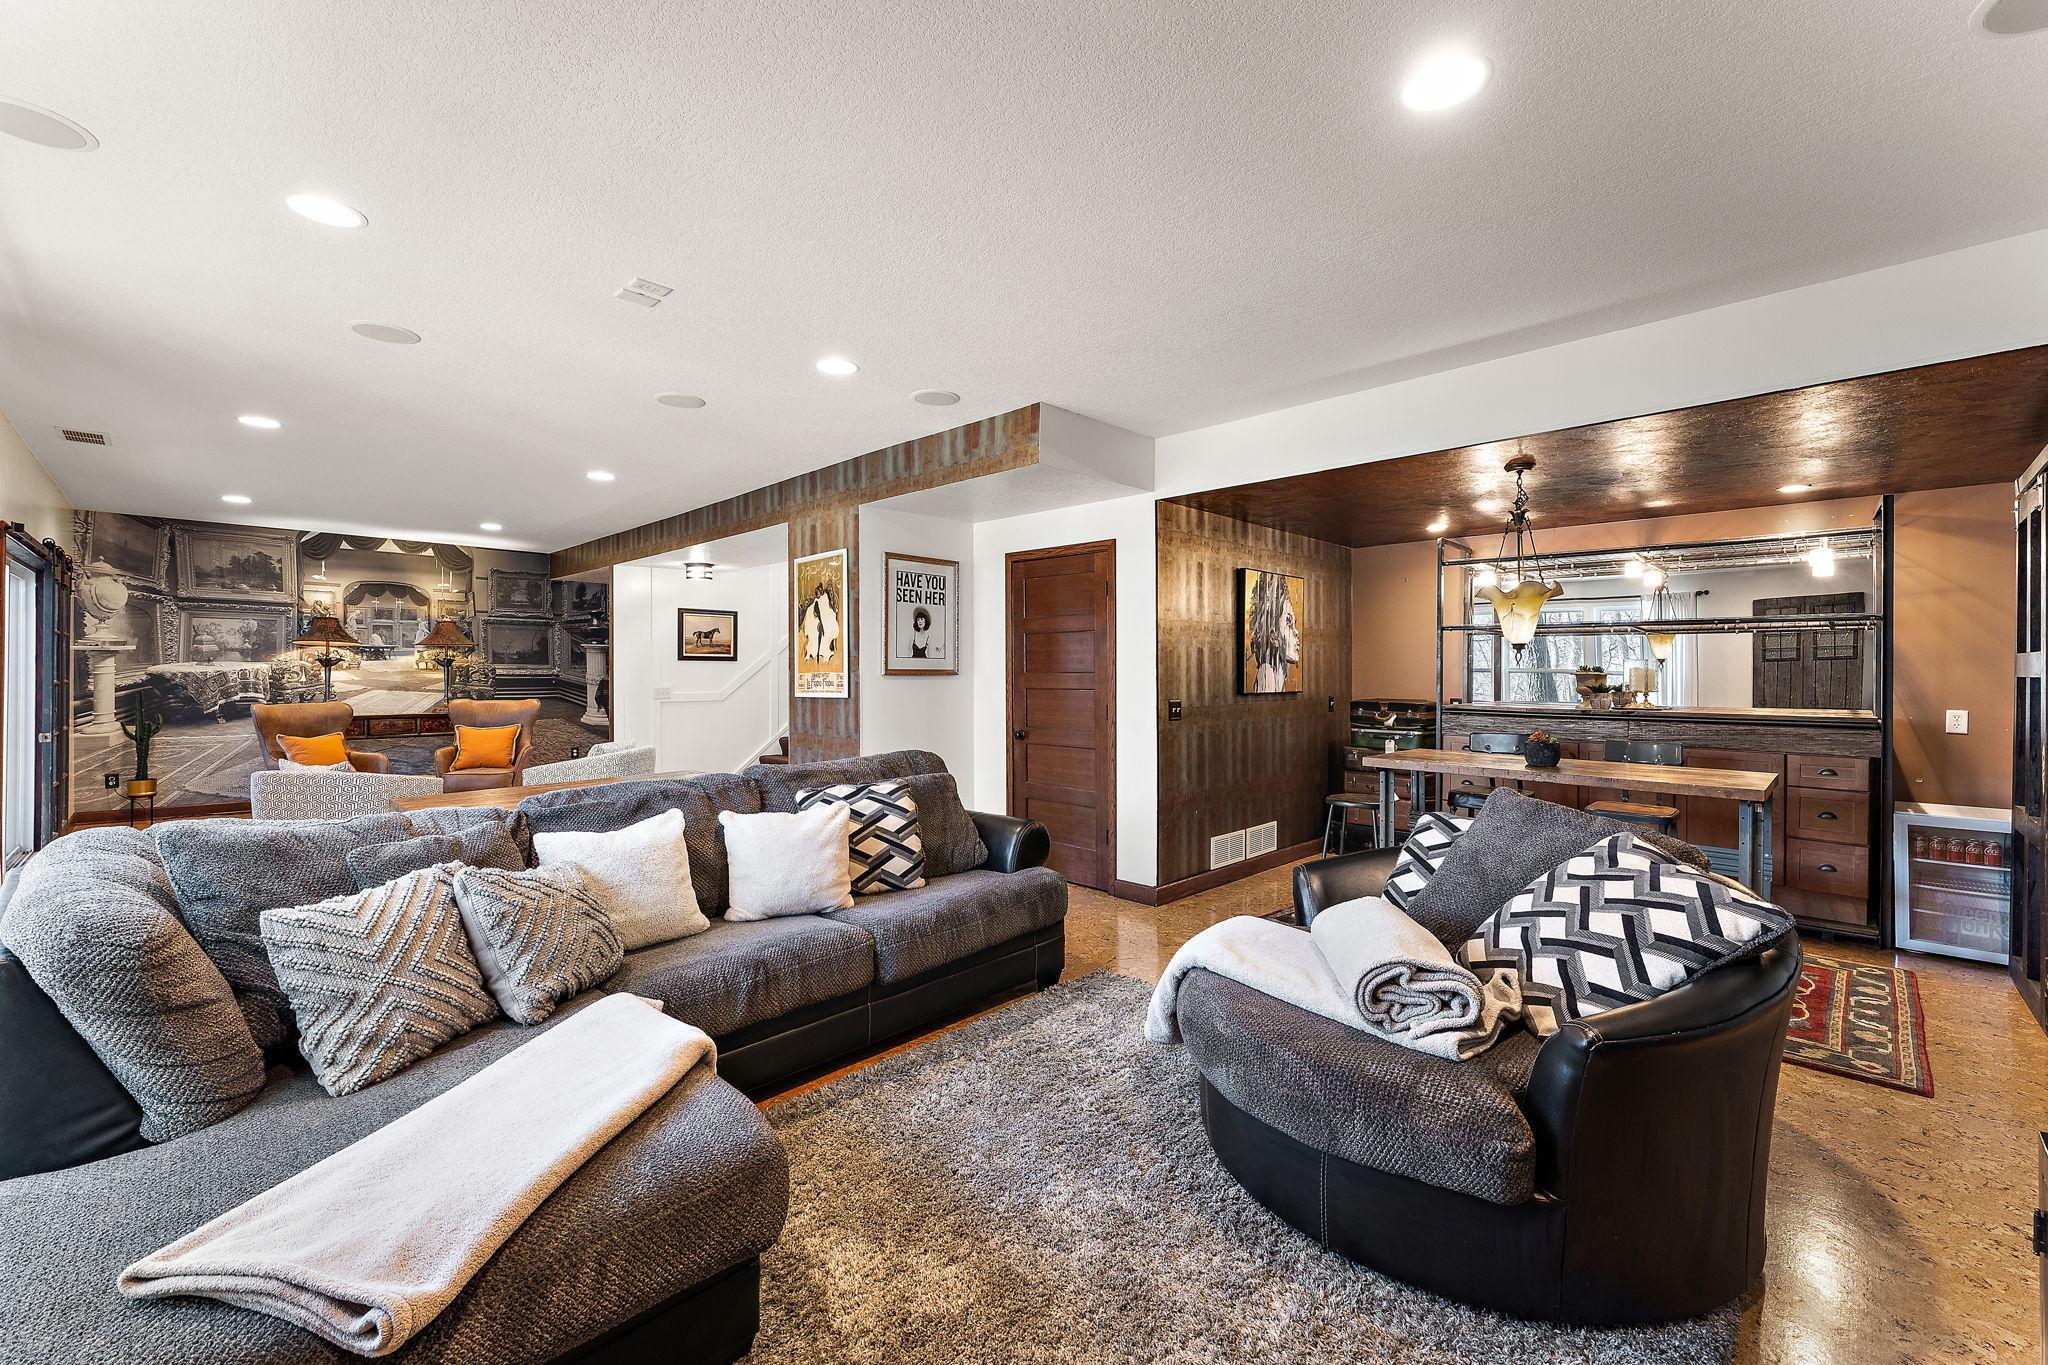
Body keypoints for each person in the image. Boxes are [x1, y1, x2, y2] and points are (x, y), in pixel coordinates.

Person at [1246, 573, 1300, 693]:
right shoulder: (1267, 678)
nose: (1296, 632)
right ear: (1273, 636)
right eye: (1289, 623)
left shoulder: (1275, 676)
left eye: (1294, 624)